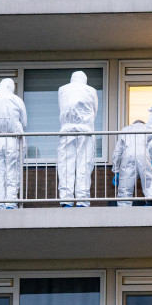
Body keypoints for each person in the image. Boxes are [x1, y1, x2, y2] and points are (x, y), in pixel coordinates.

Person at [56, 70, 99, 207]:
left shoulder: (62, 89)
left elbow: (61, 107)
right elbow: (95, 110)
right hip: (85, 130)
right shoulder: (91, 90)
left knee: (65, 166)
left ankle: (66, 200)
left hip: (66, 129)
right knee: (84, 165)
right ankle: (82, 199)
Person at [0, 78, 27, 209]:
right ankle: (10, 202)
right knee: (12, 171)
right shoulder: (16, 100)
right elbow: (24, 122)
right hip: (13, 139)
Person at [110, 119, 150, 207]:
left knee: (124, 190)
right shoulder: (149, 128)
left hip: (128, 156)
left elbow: (117, 151)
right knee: (150, 185)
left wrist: (116, 170)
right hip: (145, 156)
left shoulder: (125, 129)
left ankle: (123, 213)